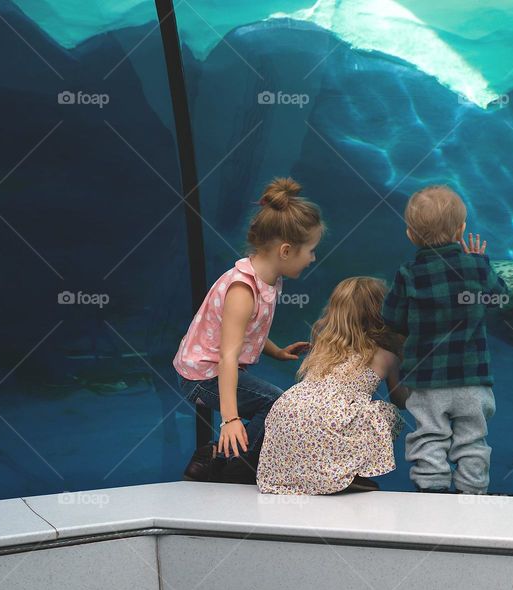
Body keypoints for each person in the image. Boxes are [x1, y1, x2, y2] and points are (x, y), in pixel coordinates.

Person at [174, 177, 323, 484]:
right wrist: (229, 419)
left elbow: (247, 331)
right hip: (202, 376)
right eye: (310, 250)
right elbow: (227, 356)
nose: (313, 258)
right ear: (285, 250)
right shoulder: (243, 289)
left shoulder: (268, 279)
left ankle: (217, 459)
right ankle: (227, 462)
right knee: (275, 403)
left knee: (272, 402)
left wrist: (276, 351)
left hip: (212, 371)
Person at [382, 185, 508, 494]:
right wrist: (483, 264)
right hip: (472, 380)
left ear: (410, 234)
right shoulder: (477, 267)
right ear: (462, 229)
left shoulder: (408, 273)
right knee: (472, 439)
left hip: (427, 381)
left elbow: (393, 318)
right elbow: (500, 299)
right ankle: (471, 495)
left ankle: (431, 492)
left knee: (429, 436)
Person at [257, 277, 409, 495]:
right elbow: (400, 400)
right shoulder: (386, 356)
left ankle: (304, 477)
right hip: (330, 420)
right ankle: (347, 474)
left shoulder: (323, 347)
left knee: (322, 425)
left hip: (288, 409)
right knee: (389, 414)